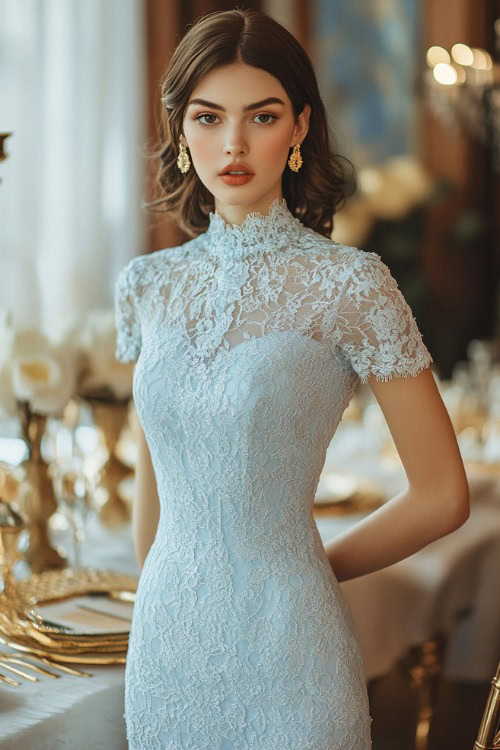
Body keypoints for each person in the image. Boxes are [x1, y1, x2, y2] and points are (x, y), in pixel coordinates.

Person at [114, 9, 470, 750]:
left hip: (291, 650)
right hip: (167, 651)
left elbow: (441, 496)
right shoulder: (147, 285)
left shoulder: (352, 285)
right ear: (180, 129)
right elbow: (152, 500)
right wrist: (162, 593)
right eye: (209, 118)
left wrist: (304, 566)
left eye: (262, 116)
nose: (233, 144)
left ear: (300, 126)